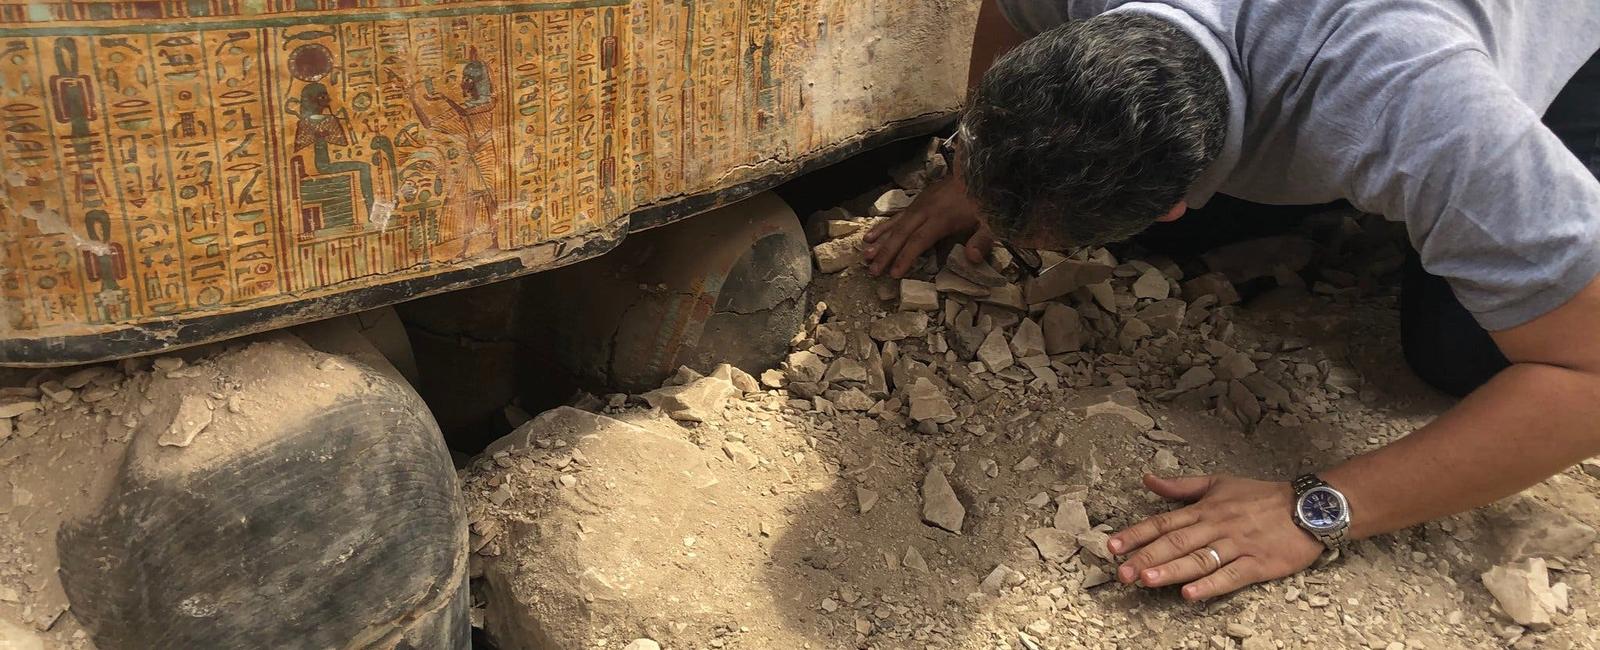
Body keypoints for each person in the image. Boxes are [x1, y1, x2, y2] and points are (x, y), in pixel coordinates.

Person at [866, 0, 1600, 601]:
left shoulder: (1422, 111)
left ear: (1177, 202)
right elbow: (1011, 13)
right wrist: (972, 170)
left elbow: (1588, 379)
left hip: (1566, 39)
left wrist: (1315, 511)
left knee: (1457, 351)